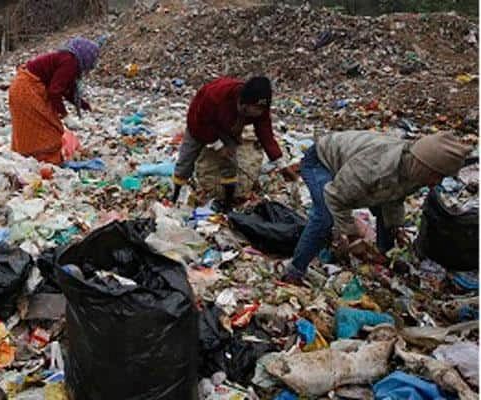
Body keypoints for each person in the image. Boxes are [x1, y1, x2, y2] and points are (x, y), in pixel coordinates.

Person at [282, 131, 472, 284]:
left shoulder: (414, 171)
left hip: (351, 168)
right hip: (321, 160)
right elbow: (335, 197)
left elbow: (394, 199)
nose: (435, 184)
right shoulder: (376, 167)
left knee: (386, 217)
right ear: (424, 166)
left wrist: (395, 227)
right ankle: (294, 271)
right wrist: (354, 238)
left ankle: (382, 258)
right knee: (325, 215)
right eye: (436, 175)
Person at [171, 76, 297, 209]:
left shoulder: (260, 111)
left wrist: (281, 165)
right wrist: (218, 146)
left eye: (260, 110)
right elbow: (199, 122)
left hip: (229, 126)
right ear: (244, 103)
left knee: (230, 162)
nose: (257, 114)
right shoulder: (216, 95)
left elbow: (266, 135)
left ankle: (228, 202)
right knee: (186, 159)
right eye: (254, 109)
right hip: (200, 122)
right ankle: (175, 195)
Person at [8, 37, 99, 164]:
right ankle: (41, 160)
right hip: (27, 90)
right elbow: (55, 91)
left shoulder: (69, 60)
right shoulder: (70, 63)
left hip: (23, 88)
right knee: (48, 128)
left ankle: (30, 159)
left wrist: (85, 105)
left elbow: (67, 89)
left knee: (33, 127)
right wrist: (65, 116)